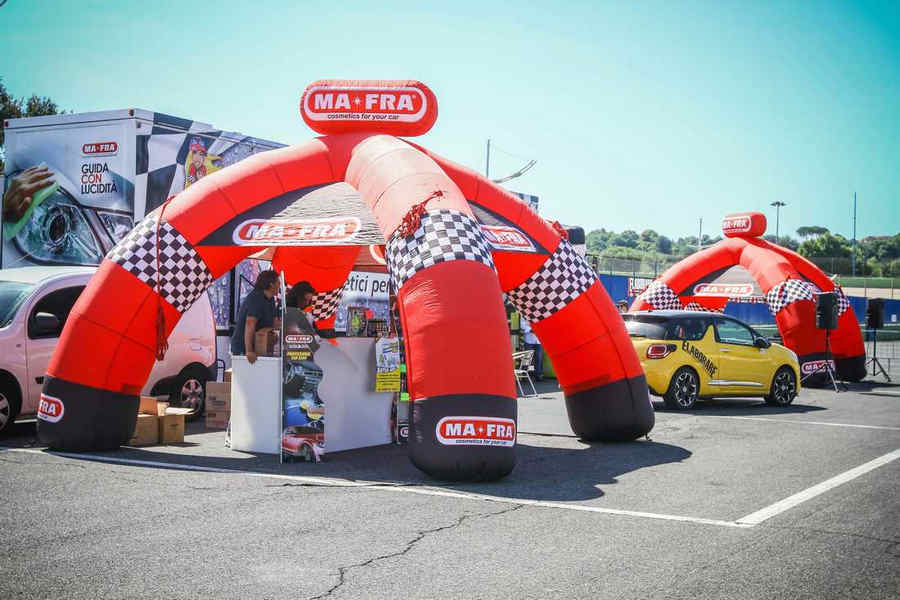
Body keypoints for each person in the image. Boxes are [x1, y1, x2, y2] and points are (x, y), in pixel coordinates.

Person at [231, 269, 279, 364]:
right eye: (278, 283)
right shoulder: (256, 298)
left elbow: (274, 323)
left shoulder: (271, 299)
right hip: (243, 348)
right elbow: (250, 324)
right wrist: (249, 351)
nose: (279, 286)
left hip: (258, 346)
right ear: (271, 284)